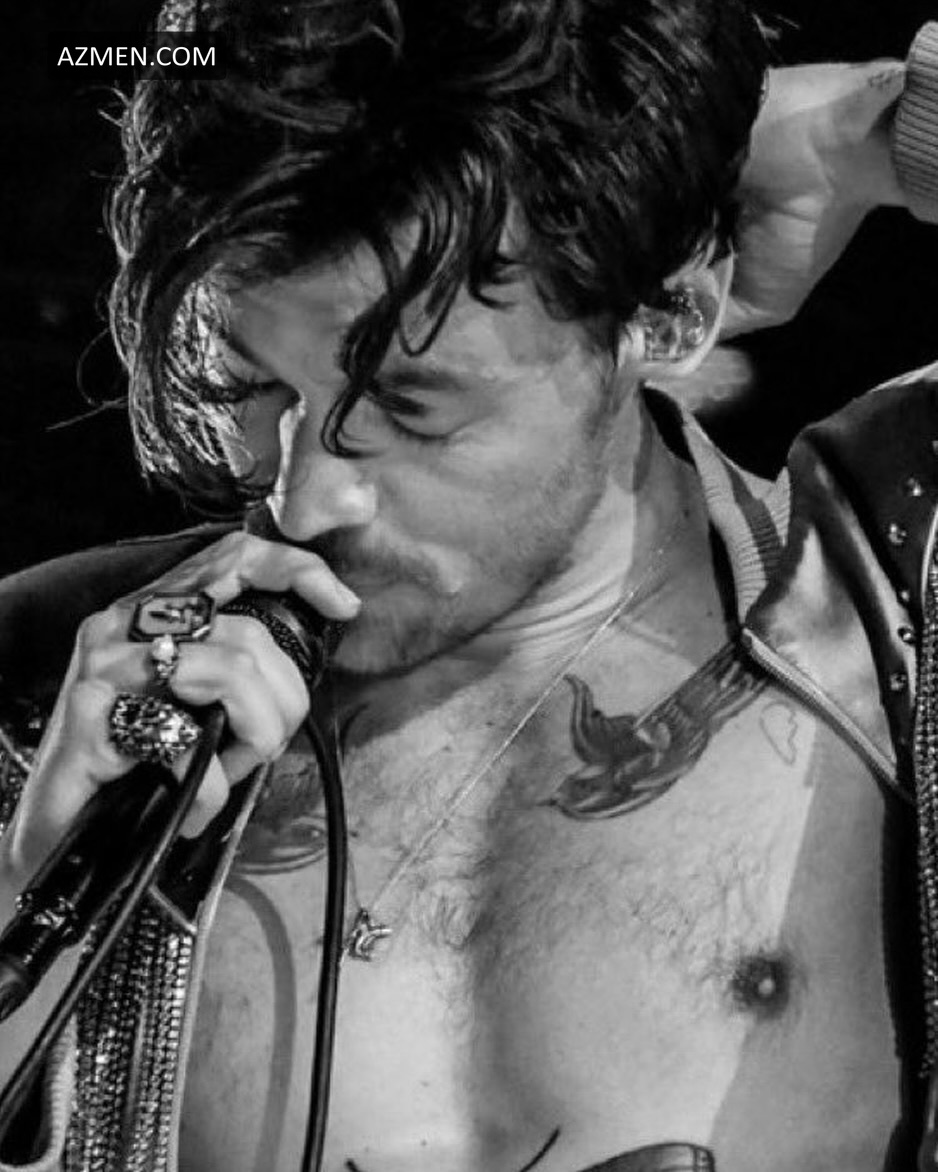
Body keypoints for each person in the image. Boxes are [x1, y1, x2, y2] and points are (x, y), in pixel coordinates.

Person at [0, 1, 931, 1169]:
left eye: (410, 407)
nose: (303, 496)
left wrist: (873, 130)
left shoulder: (893, 578)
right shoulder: (47, 680)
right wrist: (27, 891)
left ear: (668, 309)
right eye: (249, 387)